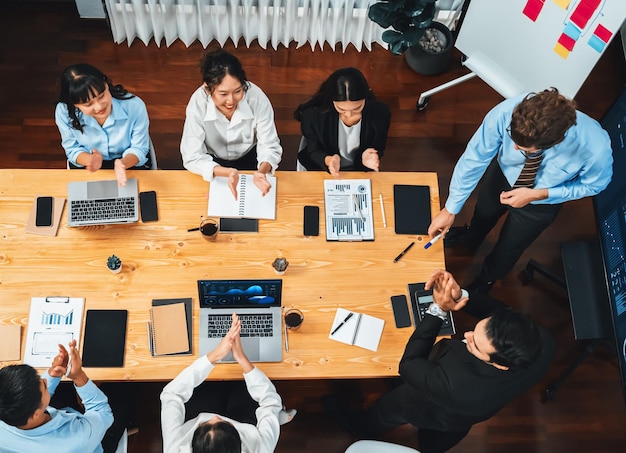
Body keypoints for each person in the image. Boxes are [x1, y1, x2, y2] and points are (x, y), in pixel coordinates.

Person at [328, 270, 554, 453]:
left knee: (386, 411)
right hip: (469, 411)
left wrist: (437, 310)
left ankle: (362, 427)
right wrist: (461, 294)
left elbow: (408, 364)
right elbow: (500, 313)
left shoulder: (457, 385)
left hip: (434, 405)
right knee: (437, 439)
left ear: (501, 364)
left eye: (475, 343)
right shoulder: (540, 341)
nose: (466, 336)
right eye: (475, 330)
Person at [428, 88, 613, 293]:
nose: (514, 149)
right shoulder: (507, 111)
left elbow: (595, 185)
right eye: (512, 139)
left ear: (553, 143)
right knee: (483, 213)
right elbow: (475, 157)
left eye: (525, 150)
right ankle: (471, 238)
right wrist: (451, 209)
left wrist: (540, 194)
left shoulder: (595, 148)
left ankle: (486, 280)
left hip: (542, 201)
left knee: (509, 248)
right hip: (503, 175)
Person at [160, 313, 294, 453]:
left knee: (215, 381)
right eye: (223, 423)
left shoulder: (175, 448)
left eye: (205, 425)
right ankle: (272, 421)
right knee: (243, 384)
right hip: (244, 423)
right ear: (239, 443)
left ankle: (272, 420)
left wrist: (215, 355)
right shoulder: (260, 448)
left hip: (198, 412)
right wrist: (241, 358)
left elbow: (171, 394)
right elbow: (270, 401)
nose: (215, 417)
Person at [180, 49, 283, 199]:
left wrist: (262, 172)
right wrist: (225, 172)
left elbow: (269, 146)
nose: (231, 101)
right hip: (213, 163)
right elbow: (191, 155)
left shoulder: (257, 98)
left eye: (237, 91)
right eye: (223, 94)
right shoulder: (197, 103)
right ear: (208, 89)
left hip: (251, 158)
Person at [0, 340, 115, 452]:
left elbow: (30, 398)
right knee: (123, 390)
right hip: (91, 441)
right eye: (44, 385)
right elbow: (102, 412)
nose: (45, 379)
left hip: (62, 417)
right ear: (36, 414)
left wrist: (54, 372)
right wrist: (79, 376)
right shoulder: (77, 440)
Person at [55, 63, 152, 187]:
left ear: (106, 84)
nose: (99, 107)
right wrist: (90, 160)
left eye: (101, 96)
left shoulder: (134, 106)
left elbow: (139, 148)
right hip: (89, 164)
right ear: (73, 104)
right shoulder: (64, 112)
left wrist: (122, 164)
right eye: (88, 104)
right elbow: (72, 149)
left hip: (128, 162)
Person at [293, 67, 391, 176]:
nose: (349, 115)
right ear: (332, 100)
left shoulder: (381, 113)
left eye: (357, 108)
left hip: (360, 169)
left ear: (365, 98)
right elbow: (313, 150)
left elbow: (379, 146)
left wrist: (368, 157)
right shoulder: (313, 116)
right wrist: (328, 160)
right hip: (321, 169)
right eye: (341, 109)